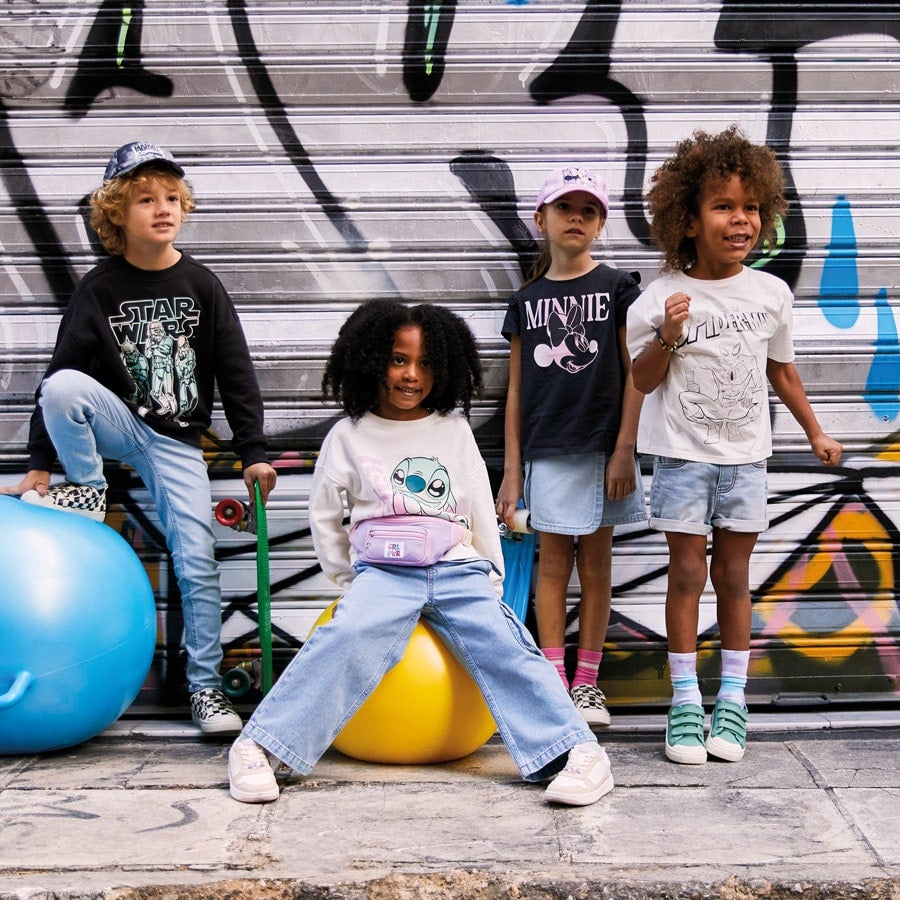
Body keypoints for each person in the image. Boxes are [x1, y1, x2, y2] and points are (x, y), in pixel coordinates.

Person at [226, 300, 614, 807]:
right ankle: (260, 745)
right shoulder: (348, 434)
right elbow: (323, 514)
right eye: (398, 360)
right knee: (344, 636)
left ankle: (578, 753)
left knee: (505, 643)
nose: (413, 375)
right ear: (369, 361)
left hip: (456, 567)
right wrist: (348, 581)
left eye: (427, 363)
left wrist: (491, 577)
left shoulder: (451, 429)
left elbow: (477, 502)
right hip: (383, 572)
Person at [0, 141, 277, 735]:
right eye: (146, 198)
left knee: (197, 562)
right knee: (65, 387)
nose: (163, 208)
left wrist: (252, 453)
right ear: (115, 213)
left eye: (173, 198)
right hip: (120, 426)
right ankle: (88, 491)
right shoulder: (98, 289)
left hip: (178, 443)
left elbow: (237, 374)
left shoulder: (202, 285)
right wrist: (41, 466)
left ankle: (205, 689)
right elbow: (60, 371)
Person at [626, 125, 843, 764]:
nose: (740, 219)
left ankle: (734, 702)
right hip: (684, 457)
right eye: (723, 206)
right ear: (688, 221)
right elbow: (639, 380)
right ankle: (686, 701)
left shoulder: (771, 294)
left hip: (746, 457)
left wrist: (816, 431)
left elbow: (781, 371)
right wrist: (667, 333)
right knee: (688, 574)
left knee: (735, 578)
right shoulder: (661, 296)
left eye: (750, 207)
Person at [496, 166, 645, 726]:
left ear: (602, 222)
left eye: (588, 210)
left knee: (598, 564)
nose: (576, 218)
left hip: (603, 452)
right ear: (541, 220)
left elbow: (636, 373)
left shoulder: (618, 289)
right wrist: (512, 474)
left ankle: (588, 682)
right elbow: (515, 393)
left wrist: (625, 448)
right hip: (548, 451)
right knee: (553, 563)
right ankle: (553, 678)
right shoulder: (526, 301)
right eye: (564, 208)